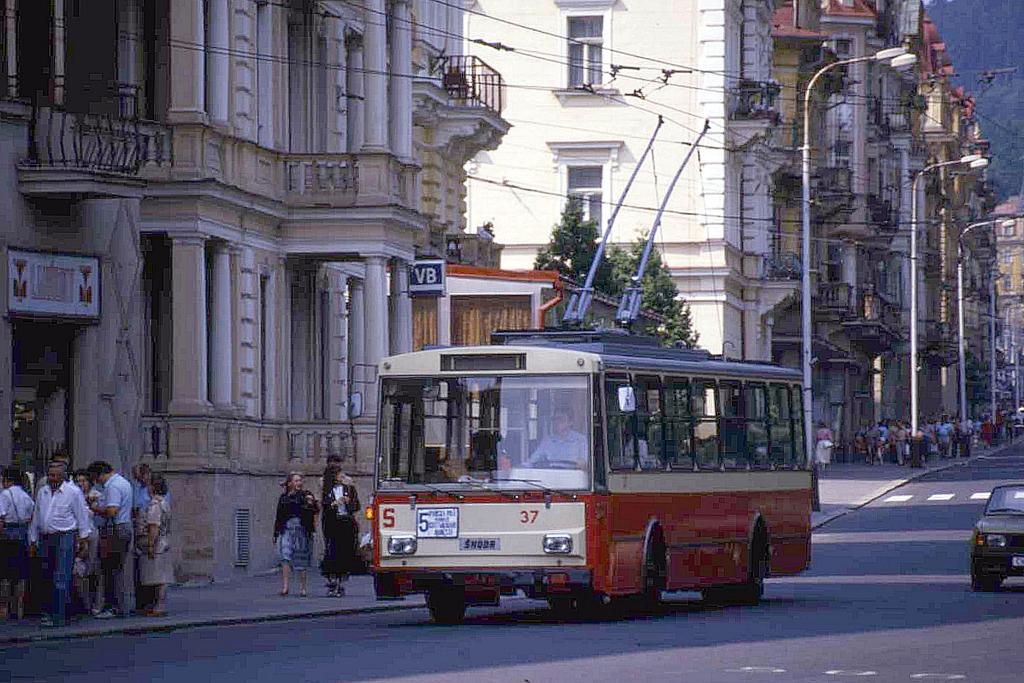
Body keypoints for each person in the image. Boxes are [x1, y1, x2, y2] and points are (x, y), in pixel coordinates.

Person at [28, 461, 90, 627]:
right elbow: (36, 515)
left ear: (63, 476)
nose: (52, 478)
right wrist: (32, 539)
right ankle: (49, 611)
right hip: (45, 537)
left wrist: (84, 540)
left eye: (55, 475)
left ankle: (59, 616)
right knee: (46, 574)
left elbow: (82, 516)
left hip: (65, 536)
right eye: (50, 475)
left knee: (61, 576)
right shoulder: (43, 491)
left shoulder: (73, 492)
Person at [87, 461, 133, 619]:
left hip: (115, 529)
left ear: (99, 474)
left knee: (110, 569)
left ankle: (113, 607)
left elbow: (112, 511)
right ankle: (118, 605)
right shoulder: (123, 482)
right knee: (117, 568)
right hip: (124, 527)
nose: (96, 482)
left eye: (95, 478)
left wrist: (94, 508)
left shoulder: (112, 486)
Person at [273, 472, 319, 597]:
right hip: (287, 528)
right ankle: (285, 586)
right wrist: (276, 532)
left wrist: (310, 503)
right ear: (290, 483)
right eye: (296, 481)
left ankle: (303, 588)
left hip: (301, 529)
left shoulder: (305, 495)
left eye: (300, 481)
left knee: (301, 559)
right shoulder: (284, 497)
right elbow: (279, 515)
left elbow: (314, 509)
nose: (299, 483)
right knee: (285, 556)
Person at [320, 465, 360, 597]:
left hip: (345, 522)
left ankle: (341, 581)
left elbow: (356, 505)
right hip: (332, 523)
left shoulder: (348, 489)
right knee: (332, 551)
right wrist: (334, 504)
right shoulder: (327, 489)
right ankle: (332, 579)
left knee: (344, 552)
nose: (342, 478)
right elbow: (324, 504)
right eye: (339, 476)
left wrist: (348, 502)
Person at [0, 466, 35, 620]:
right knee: (20, 573)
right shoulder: (26, 496)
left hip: (8, 535)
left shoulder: (5, 494)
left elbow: (1, 518)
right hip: (23, 535)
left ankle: (4, 607)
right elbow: (31, 517)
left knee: (5, 573)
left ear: (7, 480)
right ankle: (18, 607)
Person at [138, 474, 172, 617]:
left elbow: (154, 526)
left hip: (157, 544)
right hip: (163, 542)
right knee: (161, 576)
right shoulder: (164, 502)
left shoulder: (155, 505)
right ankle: (159, 605)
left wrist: (151, 545)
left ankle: (159, 606)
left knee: (158, 577)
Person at [72, 470, 102, 617]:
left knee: (92, 568)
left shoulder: (95, 496)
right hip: (77, 534)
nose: (81, 484)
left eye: (83, 481)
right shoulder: (74, 496)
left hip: (92, 534)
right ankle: (82, 603)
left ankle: (95, 603)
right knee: (78, 569)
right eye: (78, 481)